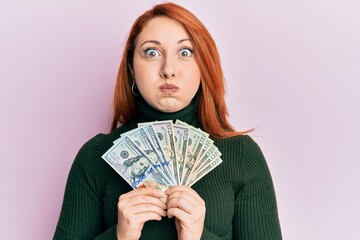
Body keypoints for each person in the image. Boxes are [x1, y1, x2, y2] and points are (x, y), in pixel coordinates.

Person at [53, 2, 282, 240]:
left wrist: (198, 237)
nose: (168, 69)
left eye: (185, 52)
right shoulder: (95, 157)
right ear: (132, 67)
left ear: (203, 65)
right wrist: (120, 236)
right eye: (152, 52)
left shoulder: (243, 156)